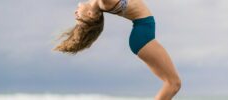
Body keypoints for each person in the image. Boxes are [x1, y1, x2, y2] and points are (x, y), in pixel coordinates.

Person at [53, 0, 181, 99]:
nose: (75, 14)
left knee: (172, 83)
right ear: (90, 14)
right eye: (79, 18)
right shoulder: (105, 3)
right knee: (173, 84)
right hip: (142, 36)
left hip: (142, 34)